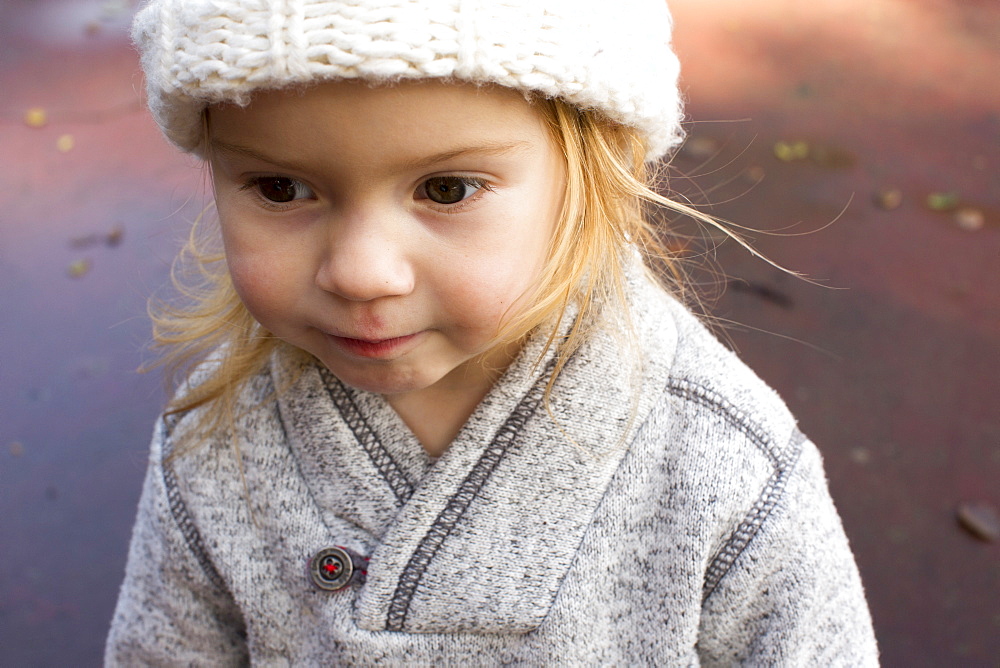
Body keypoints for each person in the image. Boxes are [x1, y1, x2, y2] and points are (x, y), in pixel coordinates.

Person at [107, 0, 879, 664]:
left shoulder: (719, 461)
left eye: (446, 189)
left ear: (592, 174)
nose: (361, 272)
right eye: (281, 188)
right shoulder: (214, 441)